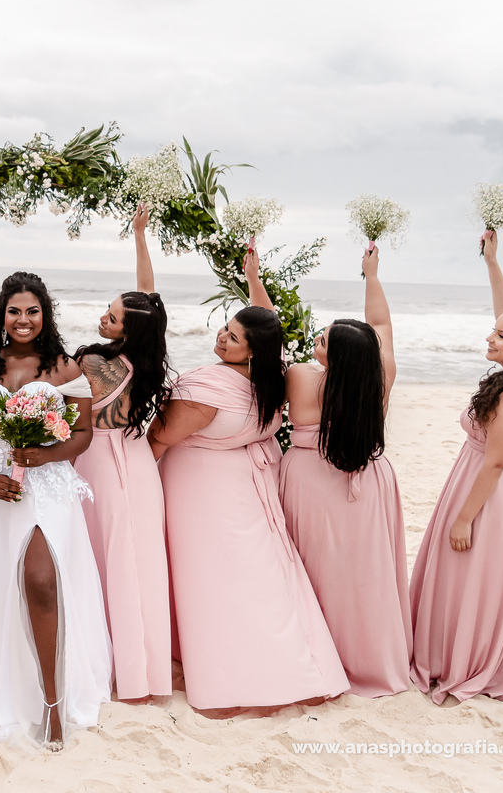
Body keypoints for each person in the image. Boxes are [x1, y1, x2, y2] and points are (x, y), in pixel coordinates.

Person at [149, 246, 348, 713]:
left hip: (200, 491)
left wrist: (141, 486)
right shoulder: (272, 376)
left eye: (234, 336)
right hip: (245, 484)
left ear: (252, 349)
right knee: (255, 570)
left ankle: (231, 671)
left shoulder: (206, 390)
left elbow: (159, 440)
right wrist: (254, 280)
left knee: (211, 576)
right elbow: (270, 320)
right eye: (225, 327)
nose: (223, 337)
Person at [0, 272, 112, 748]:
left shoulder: (66, 369)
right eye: (14, 311)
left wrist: (46, 455)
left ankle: (53, 703)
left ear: (45, 314)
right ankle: (2, 684)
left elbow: (82, 435)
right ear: (1, 315)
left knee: (41, 580)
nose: (23, 320)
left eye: (32, 310)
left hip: (47, 485)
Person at [409, 231, 503, 703]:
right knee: (479, 584)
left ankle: (457, 665)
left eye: (500, 335)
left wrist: (463, 518)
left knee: (467, 582)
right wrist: (493, 263)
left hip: (491, 495)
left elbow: (494, 463)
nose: (490, 337)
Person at [280, 244, 410, 697]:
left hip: (309, 481)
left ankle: (318, 654)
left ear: (332, 358)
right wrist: (372, 276)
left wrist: (256, 281)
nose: (313, 343)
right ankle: (369, 659)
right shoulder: (380, 375)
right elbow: (382, 327)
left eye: (321, 341)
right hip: (367, 483)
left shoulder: (300, 376)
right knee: (362, 574)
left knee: (311, 570)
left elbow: (265, 328)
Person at [72, 202, 172, 701]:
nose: (102, 319)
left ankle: (103, 661)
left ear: (126, 330)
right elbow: (149, 297)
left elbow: (69, 414)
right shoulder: (148, 358)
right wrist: (140, 238)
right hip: (137, 461)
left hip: (96, 459)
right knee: (138, 562)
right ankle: (143, 670)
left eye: (111, 317)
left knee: (97, 557)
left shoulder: (92, 363)